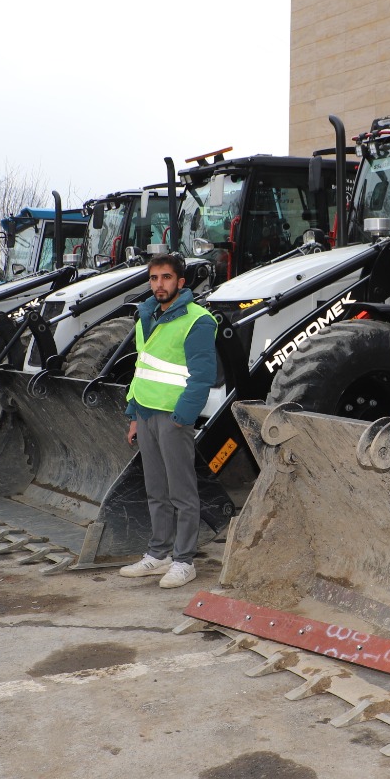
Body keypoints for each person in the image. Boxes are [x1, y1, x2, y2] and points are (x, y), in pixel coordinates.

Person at [117, 253, 218, 590]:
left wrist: (182, 418)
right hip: (146, 413)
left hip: (173, 417)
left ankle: (184, 561)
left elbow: (202, 377)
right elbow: (142, 367)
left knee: (181, 492)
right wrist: (134, 414)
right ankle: (158, 553)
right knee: (156, 490)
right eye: (154, 278)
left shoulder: (197, 321)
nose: (159, 284)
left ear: (181, 282)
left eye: (166, 277)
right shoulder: (146, 315)